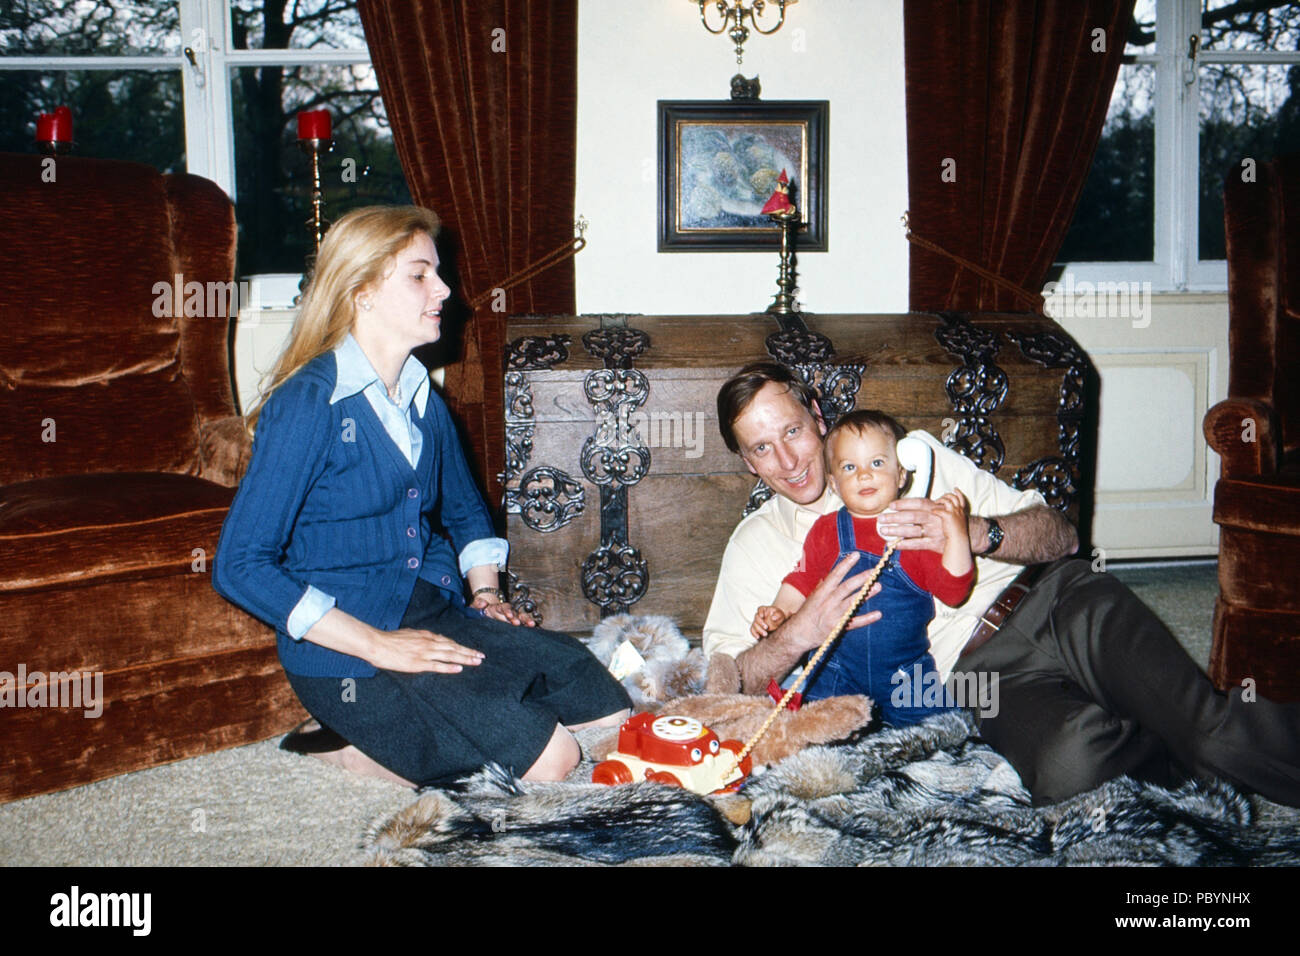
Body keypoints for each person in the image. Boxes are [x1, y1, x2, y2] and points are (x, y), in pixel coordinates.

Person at [705, 361, 1300, 807]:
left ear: (815, 413)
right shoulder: (757, 544)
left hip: (1054, 601)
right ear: (747, 463)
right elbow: (723, 684)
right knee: (1074, 774)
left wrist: (975, 530)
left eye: (792, 431)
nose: (788, 460)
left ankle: (1191, 728)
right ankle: (1159, 729)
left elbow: (1060, 534)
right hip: (980, 677)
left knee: (1212, 731)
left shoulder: (913, 457)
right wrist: (798, 633)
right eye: (761, 448)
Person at [213, 206, 630, 788]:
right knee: (554, 760)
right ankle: (348, 747)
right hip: (347, 651)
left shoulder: (419, 395)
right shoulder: (309, 402)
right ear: (361, 292)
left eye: (437, 273)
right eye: (419, 275)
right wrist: (379, 646)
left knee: (605, 705)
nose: (445, 289)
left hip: (431, 609)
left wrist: (484, 594)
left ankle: (407, 731)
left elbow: (462, 509)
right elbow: (238, 566)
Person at [750, 409, 973, 724]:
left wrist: (958, 535)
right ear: (835, 484)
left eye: (877, 463)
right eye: (849, 467)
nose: (864, 475)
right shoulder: (827, 530)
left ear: (903, 475)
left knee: (941, 736)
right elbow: (801, 581)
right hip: (835, 671)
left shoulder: (916, 529)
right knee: (813, 735)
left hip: (907, 672)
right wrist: (780, 612)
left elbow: (954, 591)